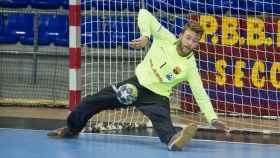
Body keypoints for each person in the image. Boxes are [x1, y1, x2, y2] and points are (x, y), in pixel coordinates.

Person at [48, 9, 229, 151]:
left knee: (165, 127)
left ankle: (175, 139)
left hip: (157, 98)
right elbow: (144, 14)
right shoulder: (165, 37)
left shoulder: (190, 67)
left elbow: (200, 93)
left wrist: (212, 119)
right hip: (133, 87)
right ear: (182, 35)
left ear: (197, 45)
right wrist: (146, 35)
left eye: (194, 41)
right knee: (92, 101)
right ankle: (71, 130)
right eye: (188, 37)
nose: (190, 43)